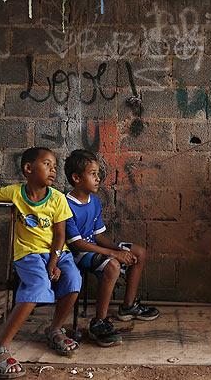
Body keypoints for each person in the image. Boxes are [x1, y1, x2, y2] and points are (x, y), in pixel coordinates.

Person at [0, 147, 81, 378]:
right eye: (47, 164)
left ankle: (54, 329)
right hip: (29, 254)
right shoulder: (14, 193)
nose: (53, 170)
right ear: (28, 169)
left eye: (54, 166)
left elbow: (61, 235)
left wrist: (54, 262)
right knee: (38, 286)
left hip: (56, 252)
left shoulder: (58, 198)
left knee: (73, 279)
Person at [64, 149, 159, 347]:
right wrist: (115, 254)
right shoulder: (65, 204)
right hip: (77, 254)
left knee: (138, 252)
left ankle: (128, 306)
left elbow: (98, 236)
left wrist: (121, 250)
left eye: (98, 174)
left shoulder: (95, 202)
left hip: (94, 248)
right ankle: (99, 322)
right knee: (113, 265)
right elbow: (77, 243)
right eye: (92, 174)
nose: (98, 178)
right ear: (76, 178)